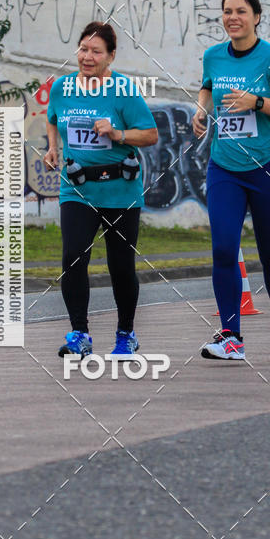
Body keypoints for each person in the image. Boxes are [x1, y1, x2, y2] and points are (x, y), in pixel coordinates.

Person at [192, 0, 270, 361]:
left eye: (241, 11)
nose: (232, 17)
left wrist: (255, 102)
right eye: (227, 11)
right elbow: (208, 86)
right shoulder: (213, 56)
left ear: (257, 17)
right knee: (223, 247)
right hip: (224, 165)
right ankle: (231, 337)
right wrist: (199, 111)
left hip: (268, 166)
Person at [44, 21, 159, 359]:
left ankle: (126, 335)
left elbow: (150, 135)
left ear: (111, 56)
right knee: (73, 257)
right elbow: (52, 117)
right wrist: (53, 148)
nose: (87, 56)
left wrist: (118, 134)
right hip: (77, 188)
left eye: (96, 51)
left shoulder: (123, 89)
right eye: (83, 49)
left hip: (120, 189)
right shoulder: (62, 88)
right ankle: (79, 333)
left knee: (121, 266)